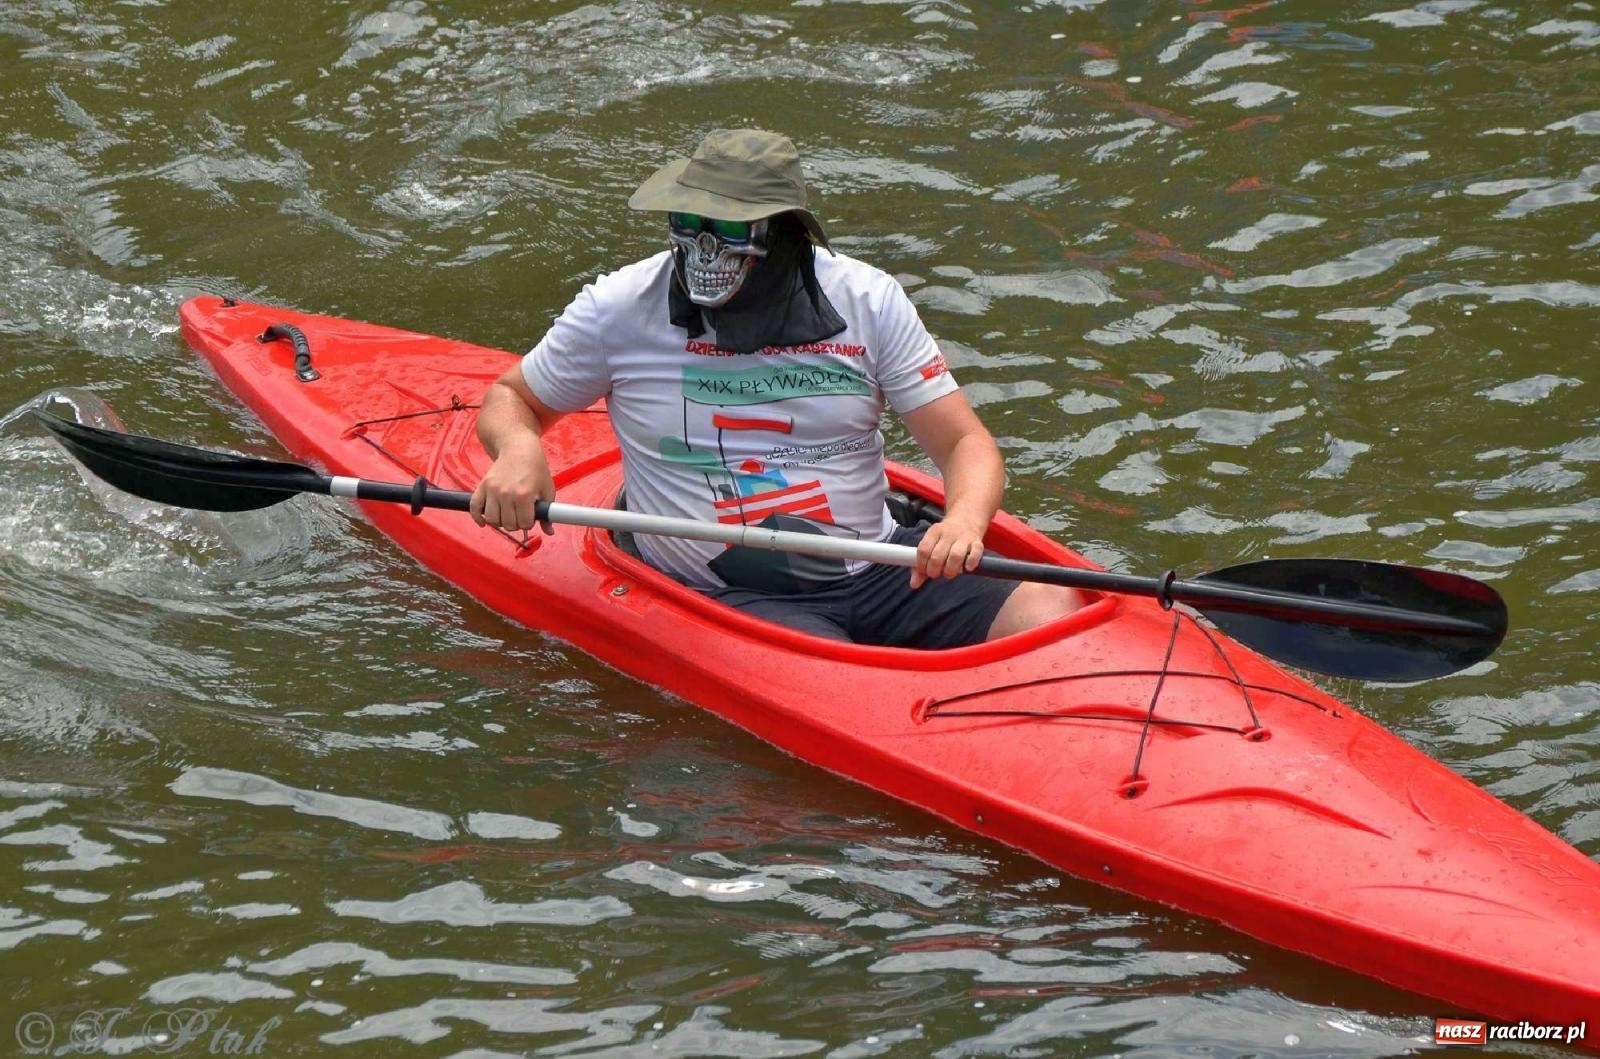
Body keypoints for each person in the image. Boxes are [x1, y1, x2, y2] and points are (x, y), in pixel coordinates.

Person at [470, 128, 1083, 647]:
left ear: (783, 231)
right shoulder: (618, 307)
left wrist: (965, 524)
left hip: (882, 563)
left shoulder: (868, 299)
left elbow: (963, 445)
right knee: (833, 670)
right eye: (688, 221)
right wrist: (521, 451)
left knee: (1054, 616)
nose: (703, 244)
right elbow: (513, 397)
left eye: (728, 227)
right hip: (733, 591)